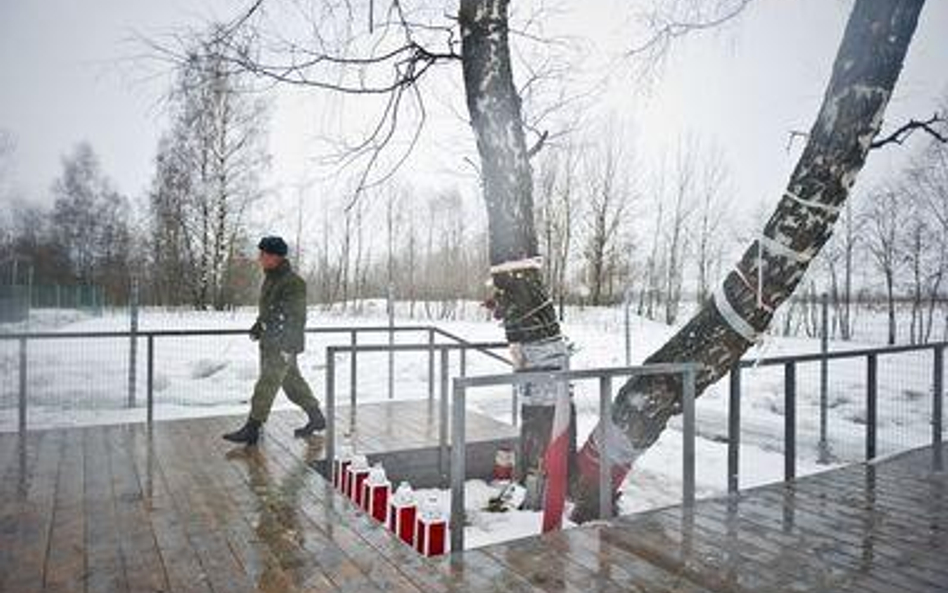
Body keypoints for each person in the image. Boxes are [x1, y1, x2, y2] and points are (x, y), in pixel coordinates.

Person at [223, 235, 326, 445]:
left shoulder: (294, 282)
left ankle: (252, 427)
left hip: (283, 345)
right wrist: (259, 325)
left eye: (263, 254)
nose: (259, 257)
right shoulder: (270, 279)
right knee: (293, 385)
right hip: (270, 342)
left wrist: (287, 346)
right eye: (260, 253)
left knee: (266, 384)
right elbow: (270, 310)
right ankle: (317, 418)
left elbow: (295, 316)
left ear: (276, 257)